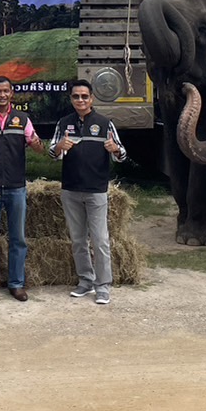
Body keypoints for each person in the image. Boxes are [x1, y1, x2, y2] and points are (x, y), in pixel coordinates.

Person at [0, 75, 47, 303]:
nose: (2, 95)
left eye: (6, 91)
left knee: (18, 238)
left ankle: (16, 284)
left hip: (16, 187)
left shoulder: (22, 119)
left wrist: (36, 144)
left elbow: (39, 147)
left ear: (11, 93)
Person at [51, 80, 128, 305]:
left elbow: (122, 154)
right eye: (76, 96)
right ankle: (85, 281)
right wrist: (59, 148)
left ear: (92, 99)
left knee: (100, 240)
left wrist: (115, 149)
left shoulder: (105, 124)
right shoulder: (64, 123)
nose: (80, 100)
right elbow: (52, 152)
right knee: (77, 240)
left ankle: (103, 286)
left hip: (96, 191)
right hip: (71, 190)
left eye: (84, 96)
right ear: (71, 99)